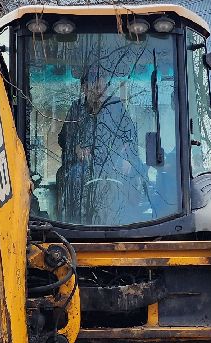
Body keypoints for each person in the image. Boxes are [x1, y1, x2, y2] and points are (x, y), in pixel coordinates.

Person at [56, 66, 147, 225]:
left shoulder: (116, 107)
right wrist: (75, 147)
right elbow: (64, 139)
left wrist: (127, 158)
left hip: (115, 164)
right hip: (84, 166)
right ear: (84, 89)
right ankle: (72, 223)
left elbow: (130, 137)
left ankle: (136, 224)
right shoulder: (76, 109)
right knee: (69, 176)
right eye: (95, 86)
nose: (100, 89)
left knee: (137, 171)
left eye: (103, 85)